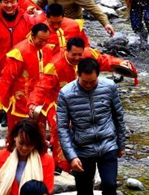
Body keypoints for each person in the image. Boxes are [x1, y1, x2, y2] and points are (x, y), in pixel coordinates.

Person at [29, 38, 128, 172]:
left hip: (83, 98)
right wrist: (33, 103)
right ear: (66, 51)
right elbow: (41, 87)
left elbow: (103, 60)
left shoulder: (88, 54)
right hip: (57, 101)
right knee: (60, 128)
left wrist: (121, 62)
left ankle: (86, 156)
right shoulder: (54, 66)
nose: (77, 58)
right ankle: (61, 165)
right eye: (73, 55)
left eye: (79, 54)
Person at [57, 58, 126, 195]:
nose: (88, 85)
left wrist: (121, 144)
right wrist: (71, 156)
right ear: (78, 75)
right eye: (85, 82)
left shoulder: (109, 87)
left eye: (92, 81)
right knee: (84, 190)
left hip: (108, 144)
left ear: (98, 75)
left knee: (110, 184)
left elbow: (118, 116)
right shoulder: (66, 93)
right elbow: (62, 128)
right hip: (82, 149)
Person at [0, 23, 51, 131]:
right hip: (20, 103)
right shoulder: (19, 52)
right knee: (18, 136)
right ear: (32, 36)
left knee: (39, 135)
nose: (43, 43)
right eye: (41, 40)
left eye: (46, 40)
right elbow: (6, 78)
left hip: (39, 102)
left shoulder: (47, 49)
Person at [0, 119, 54, 195]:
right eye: (21, 143)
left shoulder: (47, 160)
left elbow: (47, 191)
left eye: (29, 144)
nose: (25, 148)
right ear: (15, 137)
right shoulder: (0, 156)